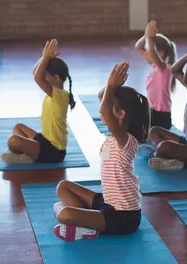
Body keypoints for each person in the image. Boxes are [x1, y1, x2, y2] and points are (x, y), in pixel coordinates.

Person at [53, 61, 151, 242]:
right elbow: (103, 100)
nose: (101, 111)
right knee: (63, 187)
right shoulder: (112, 138)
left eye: (107, 107)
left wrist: (112, 85)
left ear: (121, 114)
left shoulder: (127, 140)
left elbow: (105, 109)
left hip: (124, 217)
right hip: (108, 203)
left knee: (64, 213)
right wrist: (111, 87)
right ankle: (84, 220)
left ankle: (85, 225)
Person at [143, 42, 187, 171]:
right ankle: (169, 158)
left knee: (164, 147)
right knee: (154, 131)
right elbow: (174, 70)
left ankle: (162, 157)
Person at [1, 39, 75, 164]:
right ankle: (28, 154)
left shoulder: (60, 96)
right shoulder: (54, 93)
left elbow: (37, 77)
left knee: (13, 141)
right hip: (44, 141)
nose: (44, 79)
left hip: (54, 151)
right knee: (18, 127)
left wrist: (46, 58)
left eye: (46, 76)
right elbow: (35, 72)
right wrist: (43, 58)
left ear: (56, 78)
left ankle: (28, 156)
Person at [135, 20, 176, 130]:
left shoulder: (165, 69)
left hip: (161, 115)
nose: (145, 53)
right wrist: (147, 35)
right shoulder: (155, 67)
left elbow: (152, 52)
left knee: (154, 136)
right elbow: (138, 47)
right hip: (152, 112)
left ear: (160, 54)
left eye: (147, 51)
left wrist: (149, 38)